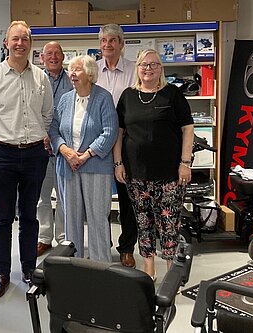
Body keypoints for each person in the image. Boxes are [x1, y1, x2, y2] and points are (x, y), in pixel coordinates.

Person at [0, 20, 53, 299]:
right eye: (15, 39)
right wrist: (2, 136)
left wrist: (35, 136)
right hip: (4, 154)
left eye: (25, 39)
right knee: (4, 217)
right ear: (6, 43)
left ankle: (29, 270)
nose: (20, 43)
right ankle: (3, 273)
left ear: (30, 44)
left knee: (30, 216)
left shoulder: (41, 78)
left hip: (34, 154)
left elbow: (47, 114)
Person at [114, 49, 194, 279]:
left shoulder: (172, 94)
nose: (148, 69)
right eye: (143, 65)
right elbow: (119, 133)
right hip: (135, 174)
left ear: (161, 68)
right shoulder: (128, 96)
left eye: (153, 64)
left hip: (169, 173)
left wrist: (185, 162)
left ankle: (171, 271)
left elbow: (187, 128)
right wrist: (118, 163)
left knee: (169, 223)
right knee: (143, 221)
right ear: (137, 68)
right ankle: (149, 269)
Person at [49, 55, 117, 262]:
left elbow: (110, 131)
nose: (72, 73)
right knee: (71, 219)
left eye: (77, 69)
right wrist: (64, 150)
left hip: (96, 166)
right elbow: (53, 128)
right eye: (70, 69)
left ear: (89, 73)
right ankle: (74, 263)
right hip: (67, 167)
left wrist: (86, 154)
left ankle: (101, 265)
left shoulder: (103, 98)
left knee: (98, 218)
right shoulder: (65, 99)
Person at [95, 23, 137, 268]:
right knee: (98, 200)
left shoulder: (134, 70)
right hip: (98, 143)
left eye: (113, 40)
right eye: (104, 41)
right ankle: (102, 246)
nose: (108, 44)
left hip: (127, 142)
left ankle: (127, 247)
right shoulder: (93, 70)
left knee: (127, 200)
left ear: (122, 44)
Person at [36, 41, 73, 257]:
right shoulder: (36, 79)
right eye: (48, 54)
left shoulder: (72, 80)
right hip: (40, 147)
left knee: (63, 197)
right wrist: (43, 136)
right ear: (42, 58)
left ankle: (62, 238)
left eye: (56, 53)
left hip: (63, 149)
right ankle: (44, 238)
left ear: (63, 56)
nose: (52, 57)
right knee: (42, 197)